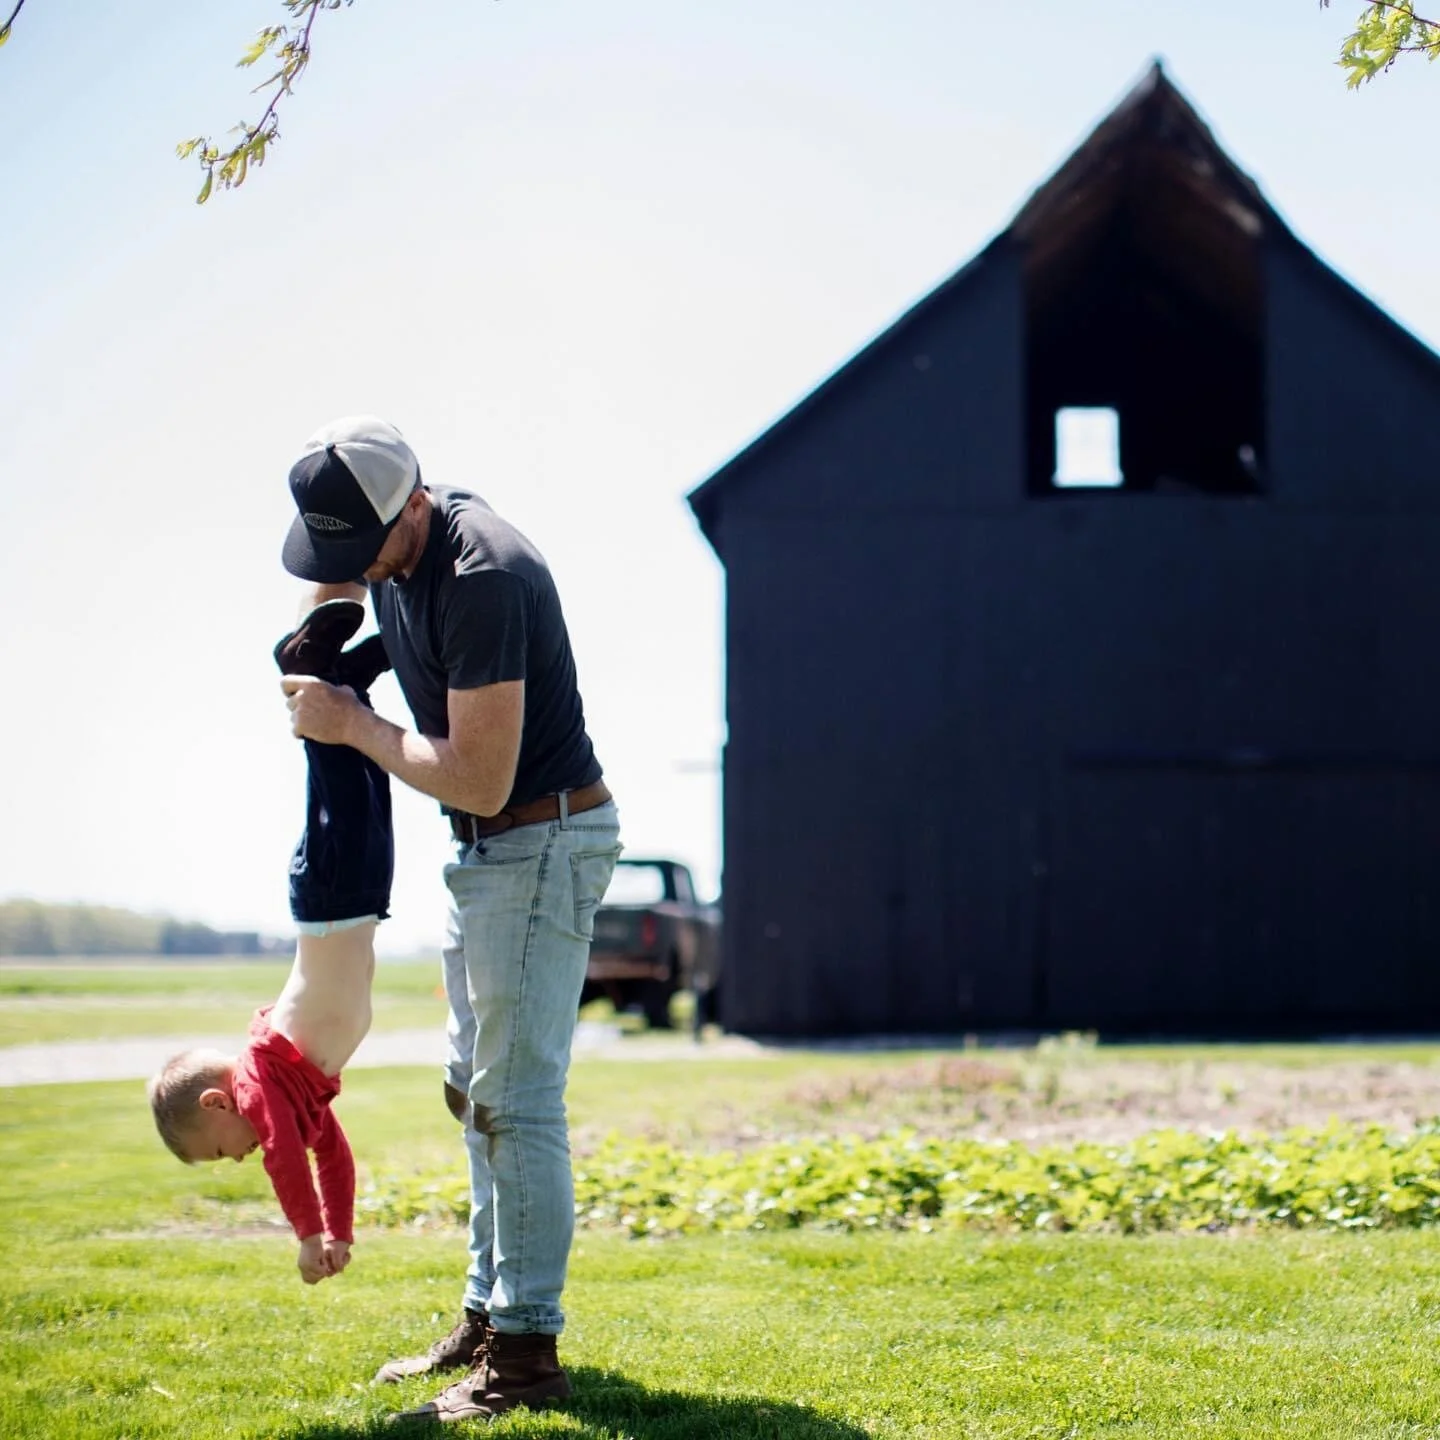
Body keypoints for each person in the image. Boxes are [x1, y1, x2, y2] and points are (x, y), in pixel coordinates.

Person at [277, 414, 622, 1423]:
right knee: (473, 1095)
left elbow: (480, 776)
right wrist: (322, 631)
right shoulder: (390, 544)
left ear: (413, 505)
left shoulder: (485, 576)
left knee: (517, 1101)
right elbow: (340, 583)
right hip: (488, 853)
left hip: (541, 837)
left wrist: (353, 723)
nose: (353, 570)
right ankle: (487, 1315)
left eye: (361, 549)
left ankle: (526, 1356)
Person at [147, 600, 394, 1285]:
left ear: (218, 1104)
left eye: (222, 1152)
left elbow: (286, 1155)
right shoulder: (295, 1092)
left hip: (331, 901)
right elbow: (331, 1156)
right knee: (369, 781)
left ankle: (304, 669)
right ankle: (349, 685)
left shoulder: (260, 1084)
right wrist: (339, 1231)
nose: (240, 1158)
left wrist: (307, 1236)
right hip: (355, 902)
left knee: (339, 784)